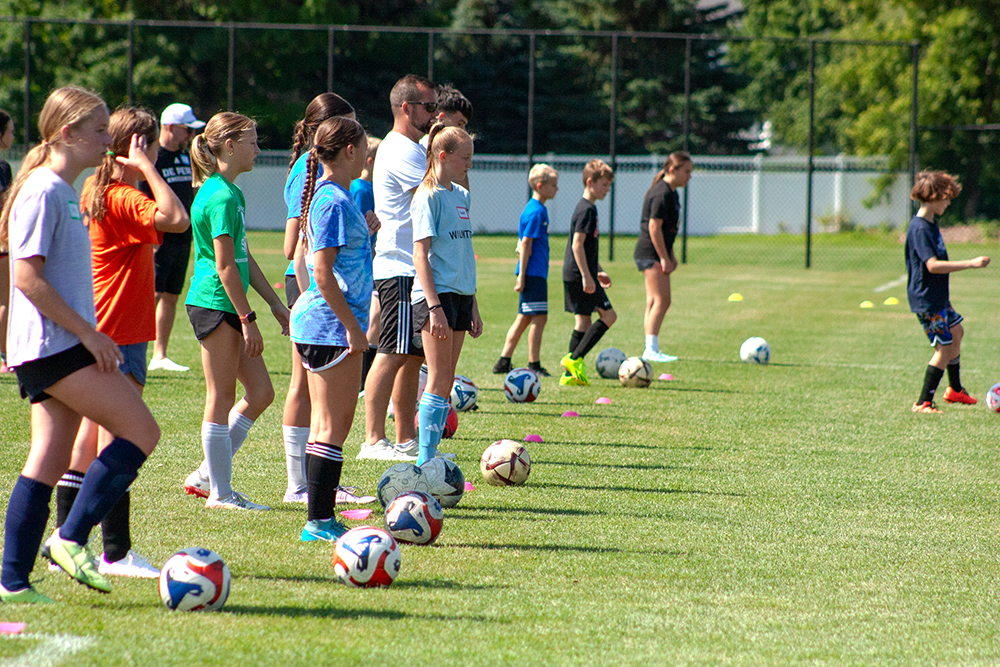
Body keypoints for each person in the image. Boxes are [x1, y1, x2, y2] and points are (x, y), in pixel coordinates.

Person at [0, 86, 160, 602]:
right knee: (140, 429)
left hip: (51, 345)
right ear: (66, 133)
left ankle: (14, 582)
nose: (106, 139)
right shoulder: (45, 190)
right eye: (97, 129)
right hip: (54, 345)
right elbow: (26, 277)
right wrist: (91, 335)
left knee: (47, 458)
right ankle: (70, 539)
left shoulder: (63, 190)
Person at [51, 107, 189, 579]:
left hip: (100, 326)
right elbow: (177, 218)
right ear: (138, 146)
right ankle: (115, 551)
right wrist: (147, 168)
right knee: (120, 442)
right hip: (121, 336)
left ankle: (60, 540)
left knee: (86, 445)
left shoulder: (95, 189)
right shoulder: (125, 195)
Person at [182, 112, 290, 509]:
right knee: (221, 396)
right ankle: (221, 494)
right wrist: (249, 321)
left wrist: (276, 303)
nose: (258, 149)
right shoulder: (221, 196)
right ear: (229, 146)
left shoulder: (231, 192)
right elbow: (225, 268)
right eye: (252, 142)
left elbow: (243, 260)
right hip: (215, 304)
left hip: (229, 304)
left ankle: (207, 475)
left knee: (261, 392)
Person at [280, 93, 376, 506]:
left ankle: (320, 517)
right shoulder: (334, 199)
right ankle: (319, 521)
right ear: (350, 151)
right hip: (331, 326)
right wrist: (355, 328)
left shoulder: (330, 194)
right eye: (366, 152)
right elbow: (320, 271)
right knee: (333, 427)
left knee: (328, 424)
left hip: (321, 323)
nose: (367, 160)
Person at [359, 74, 439, 461]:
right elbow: (439, 187)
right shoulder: (400, 149)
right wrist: (443, 147)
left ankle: (405, 438)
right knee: (390, 352)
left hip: (412, 269)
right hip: (399, 267)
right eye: (428, 107)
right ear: (406, 108)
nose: (434, 115)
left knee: (411, 357)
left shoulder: (413, 146)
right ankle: (374, 439)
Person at [411, 123, 481, 465]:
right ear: (443, 156)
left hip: (461, 296)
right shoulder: (427, 196)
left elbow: (464, 254)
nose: (469, 163)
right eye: (464, 157)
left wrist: (474, 305)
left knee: (446, 379)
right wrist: (434, 305)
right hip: (436, 297)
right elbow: (420, 255)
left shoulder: (461, 195)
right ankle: (425, 459)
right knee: (437, 379)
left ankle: (432, 451)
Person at [905, 170, 989, 413]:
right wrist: (971, 263)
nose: (949, 202)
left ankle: (955, 390)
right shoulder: (920, 228)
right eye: (946, 197)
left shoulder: (931, 223)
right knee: (945, 346)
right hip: (927, 299)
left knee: (956, 331)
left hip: (938, 297)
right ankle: (923, 402)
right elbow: (932, 265)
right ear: (933, 197)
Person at [143, 103, 205, 373]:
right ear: (168, 127)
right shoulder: (154, 158)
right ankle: (135, 349)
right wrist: (152, 237)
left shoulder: (185, 156)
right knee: (153, 294)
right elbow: (144, 198)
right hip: (160, 237)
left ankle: (160, 354)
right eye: (185, 129)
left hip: (183, 236)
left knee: (170, 294)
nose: (189, 135)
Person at [494, 163, 558, 377]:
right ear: (540, 186)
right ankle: (533, 364)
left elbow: (522, 241)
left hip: (535, 272)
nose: (557, 189)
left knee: (526, 318)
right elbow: (526, 244)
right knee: (537, 318)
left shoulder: (537, 209)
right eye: (553, 185)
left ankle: (504, 360)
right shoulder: (536, 211)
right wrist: (521, 277)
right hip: (532, 273)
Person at [560, 159, 617, 387]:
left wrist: (598, 270)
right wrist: (587, 275)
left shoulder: (586, 207)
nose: (607, 190)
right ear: (590, 182)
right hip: (578, 274)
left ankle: (570, 375)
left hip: (576, 273)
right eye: (604, 185)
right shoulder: (587, 209)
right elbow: (577, 245)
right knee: (609, 316)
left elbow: (587, 249)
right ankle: (574, 359)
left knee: (583, 321)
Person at [634, 152, 692, 363]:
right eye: (686, 171)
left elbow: (669, 231)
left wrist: (671, 255)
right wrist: (663, 257)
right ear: (672, 170)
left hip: (654, 252)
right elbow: (653, 227)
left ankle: (650, 347)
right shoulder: (661, 193)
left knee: (654, 301)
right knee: (662, 300)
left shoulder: (672, 193)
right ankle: (650, 349)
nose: (689, 176)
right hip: (650, 253)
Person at [351, 136, 381, 390]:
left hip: (373, 263)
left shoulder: (372, 188)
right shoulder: (361, 189)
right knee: (374, 318)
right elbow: (361, 231)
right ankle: (363, 381)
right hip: (368, 264)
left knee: (377, 319)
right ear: (371, 161)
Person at [0, 109, 15, 374]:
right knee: (4, 298)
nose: (13, 136)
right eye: (11, 131)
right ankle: (2, 357)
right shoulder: (2, 167)